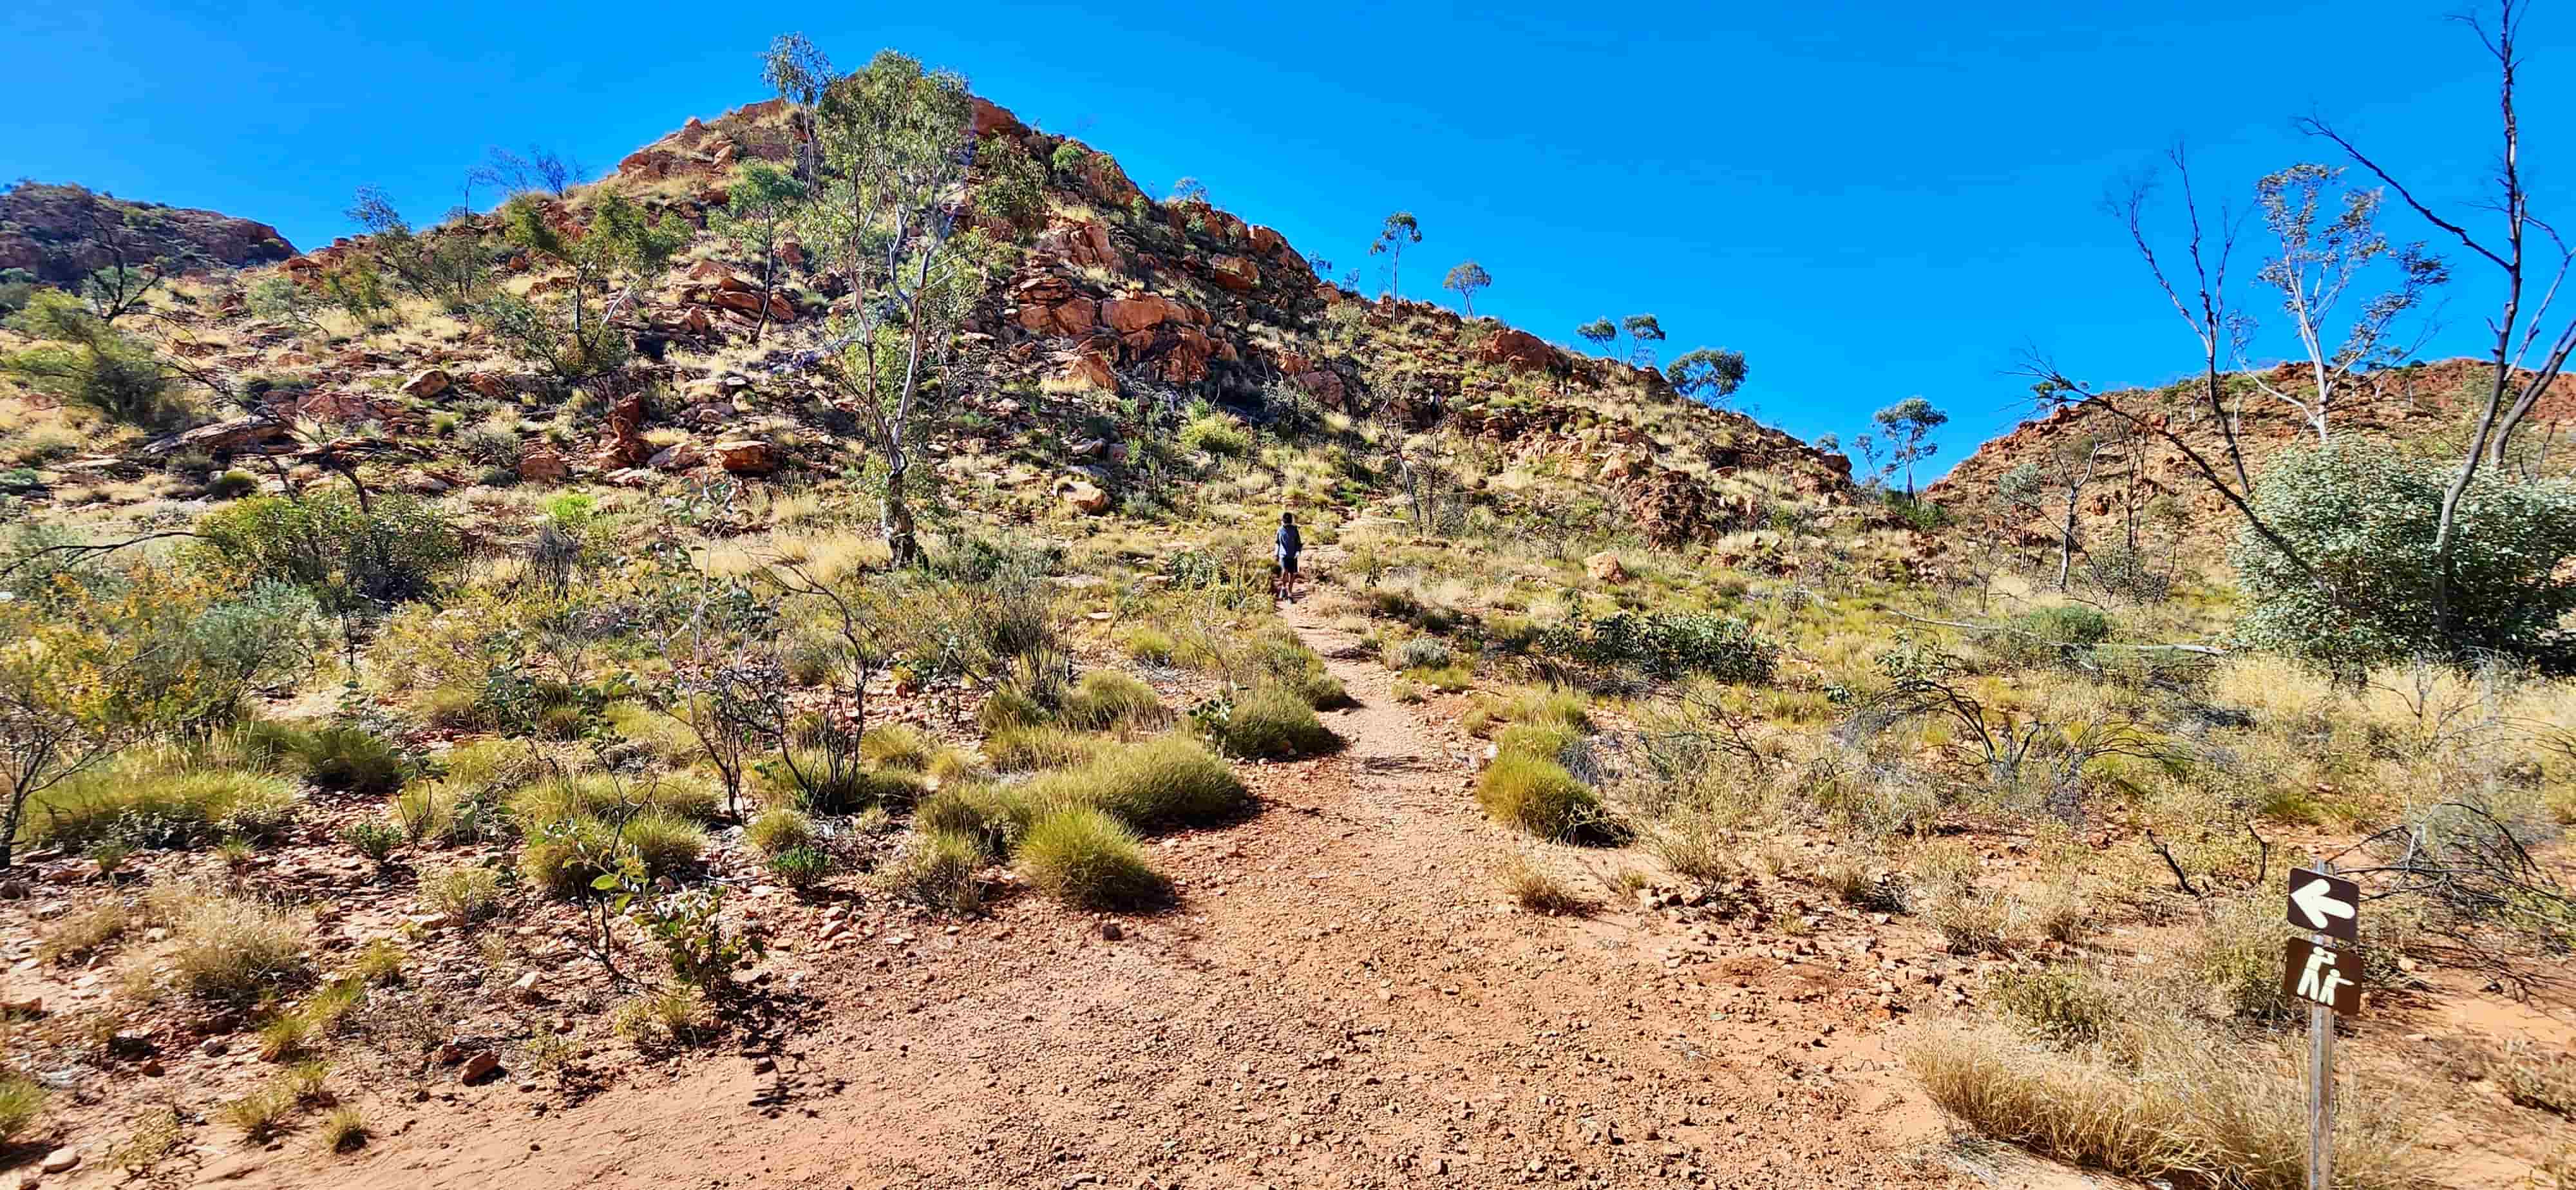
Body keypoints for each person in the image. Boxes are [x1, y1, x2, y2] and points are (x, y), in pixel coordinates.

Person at [1273, 511, 1303, 601]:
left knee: (1292, 574)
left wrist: (1298, 551)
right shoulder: (1280, 530)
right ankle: (1283, 588)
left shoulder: (1294, 529)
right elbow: (1277, 543)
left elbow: (1298, 543)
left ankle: (1290, 593)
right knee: (1284, 572)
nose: (1286, 525)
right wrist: (1276, 554)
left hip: (1293, 556)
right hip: (1283, 555)